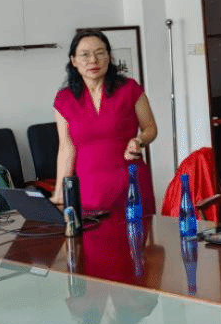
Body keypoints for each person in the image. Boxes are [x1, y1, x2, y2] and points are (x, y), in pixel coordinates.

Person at [51, 30, 158, 214]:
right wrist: (59, 192)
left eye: (100, 53)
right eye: (85, 55)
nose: (93, 60)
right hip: (89, 189)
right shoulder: (64, 99)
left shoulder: (129, 88)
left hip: (131, 185)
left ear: (109, 57)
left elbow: (150, 128)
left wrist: (139, 141)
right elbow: (66, 148)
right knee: (92, 232)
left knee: (138, 231)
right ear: (73, 61)